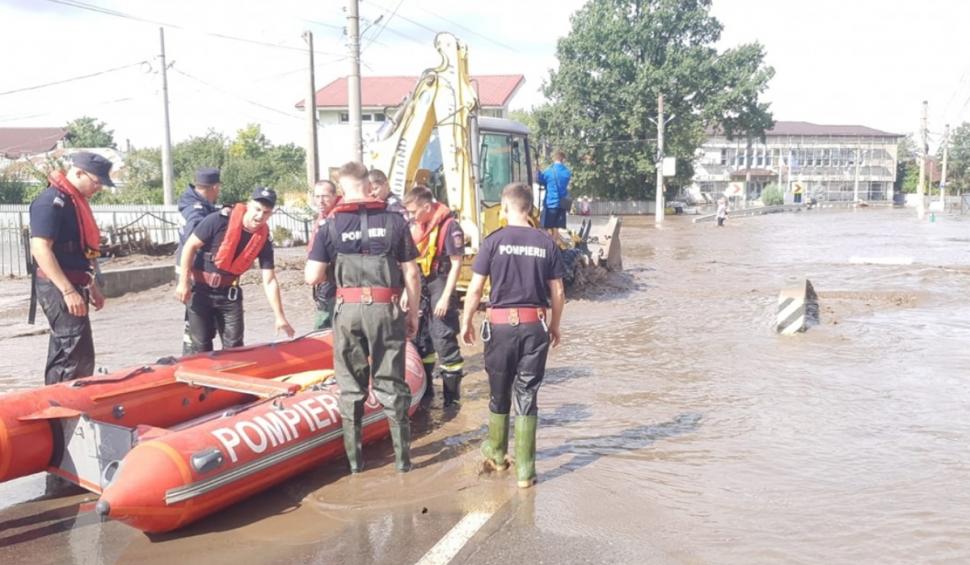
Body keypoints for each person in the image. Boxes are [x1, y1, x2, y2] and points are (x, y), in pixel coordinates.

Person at [305, 162, 421, 474]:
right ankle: (402, 463)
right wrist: (413, 313)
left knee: (351, 388)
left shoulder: (330, 225)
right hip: (386, 308)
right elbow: (411, 270)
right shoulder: (394, 221)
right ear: (369, 185)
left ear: (342, 188)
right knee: (392, 383)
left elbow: (312, 276)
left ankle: (356, 466)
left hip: (348, 311)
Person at [461, 182, 566, 488]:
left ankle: (496, 454)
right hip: (536, 326)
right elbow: (558, 291)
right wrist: (556, 325)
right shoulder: (545, 243)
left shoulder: (493, 241)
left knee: (499, 391)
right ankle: (525, 471)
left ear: (505, 209)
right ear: (531, 209)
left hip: (500, 327)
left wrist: (467, 321)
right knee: (527, 394)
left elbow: (476, 288)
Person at [175, 187, 294, 353]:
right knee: (201, 346)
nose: (260, 216)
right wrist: (183, 282)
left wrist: (280, 316)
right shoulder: (218, 220)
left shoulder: (263, 239)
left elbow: (269, 280)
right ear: (248, 205)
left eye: (266, 213)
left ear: (271, 214)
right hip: (200, 291)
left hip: (229, 295)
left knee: (235, 347)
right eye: (257, 209)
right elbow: (190, 246)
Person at [29, 152, 112, 384]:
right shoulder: (51, 202)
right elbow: (40, 248)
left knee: (79, 353)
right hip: (58, 287)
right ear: (78, 172)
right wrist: (67, 291)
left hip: (76, 282)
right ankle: (62, 413)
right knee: (71, 353)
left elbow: (80, 252)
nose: (99, 188)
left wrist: (91, 285)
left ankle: (67, 409)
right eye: (97, 182)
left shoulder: (74, 203)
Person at [404, 185, 465, 407]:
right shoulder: (418, 227)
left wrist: (445, 297)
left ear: (427, 206)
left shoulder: (450, 227)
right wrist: (405, 291)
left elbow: (457, 264)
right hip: (421, 284)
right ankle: (427, 393)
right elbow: (411, 263)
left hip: (441, 282)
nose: (411, 216)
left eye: (413, 211)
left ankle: (452, 401)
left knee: (443, 339)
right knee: (420, 340)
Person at [176, 167, 221, 353]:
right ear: (215, 187)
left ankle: (193, 358)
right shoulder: (196, 210)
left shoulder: (193, 203)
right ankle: (192, 361)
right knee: (198, 322)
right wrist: (184, 281)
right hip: (192, 272)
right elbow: (194, 240)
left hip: (191, 271)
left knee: (198, 322)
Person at [309, 179, 341, 330]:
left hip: (334, 282)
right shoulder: (323, 218)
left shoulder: (340, 219)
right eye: (317, 196)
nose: (320, 201)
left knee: (325, 325)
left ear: (335, 196)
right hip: (323, 282)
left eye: (325, 196)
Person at [536, 150, 572, 237]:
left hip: (550, 204)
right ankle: (555, 247)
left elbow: (540, 180)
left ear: (554, 158)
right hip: (562, 205)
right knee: (556, 228)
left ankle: (549, 247)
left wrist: (538, 171)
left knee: (547, 228)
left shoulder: (549, 171)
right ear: (563, 159)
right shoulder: (567, 172)